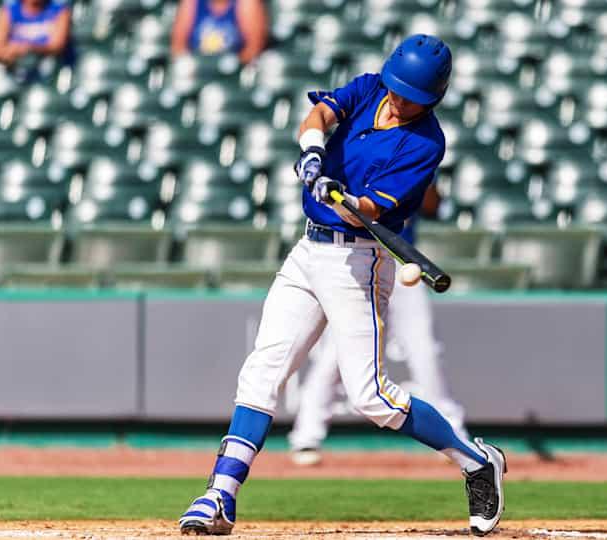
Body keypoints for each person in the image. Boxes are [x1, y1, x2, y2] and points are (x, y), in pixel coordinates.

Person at [178, 35, 507, 537]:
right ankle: (220, 495)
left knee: (371, 396)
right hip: (308, 251)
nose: (396, 100)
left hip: (359, 260)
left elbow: (375, 210)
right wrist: (313, 155)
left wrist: (344, 198)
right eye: (396, 88)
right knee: (263, 370)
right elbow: (319, 118)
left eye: (409, 95)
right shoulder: (370, 88)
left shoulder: (424, 143)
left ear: (432, 97)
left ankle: (475, 459)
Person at [288, 185, 468, 467]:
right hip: (357, 261)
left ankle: (452, 435)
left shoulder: (411, 159)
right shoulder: (357, 163)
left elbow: (433, 206)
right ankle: (306, 436)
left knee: (424, 351)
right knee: (336, 354)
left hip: (402, 264)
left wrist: (427, 178)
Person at [0, 0, 74, 81]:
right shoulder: (9, 10)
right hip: (11, 72)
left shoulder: (59, 10)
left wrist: (30, 49)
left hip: (45, 73)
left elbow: (57, 46)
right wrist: (12, 52)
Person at [171, 0, 268, 64]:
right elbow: (178, 46)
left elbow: (254, 48)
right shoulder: (192, 2)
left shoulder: (246, 3)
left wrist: (232, 66)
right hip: (199, 71)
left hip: (233, 75)